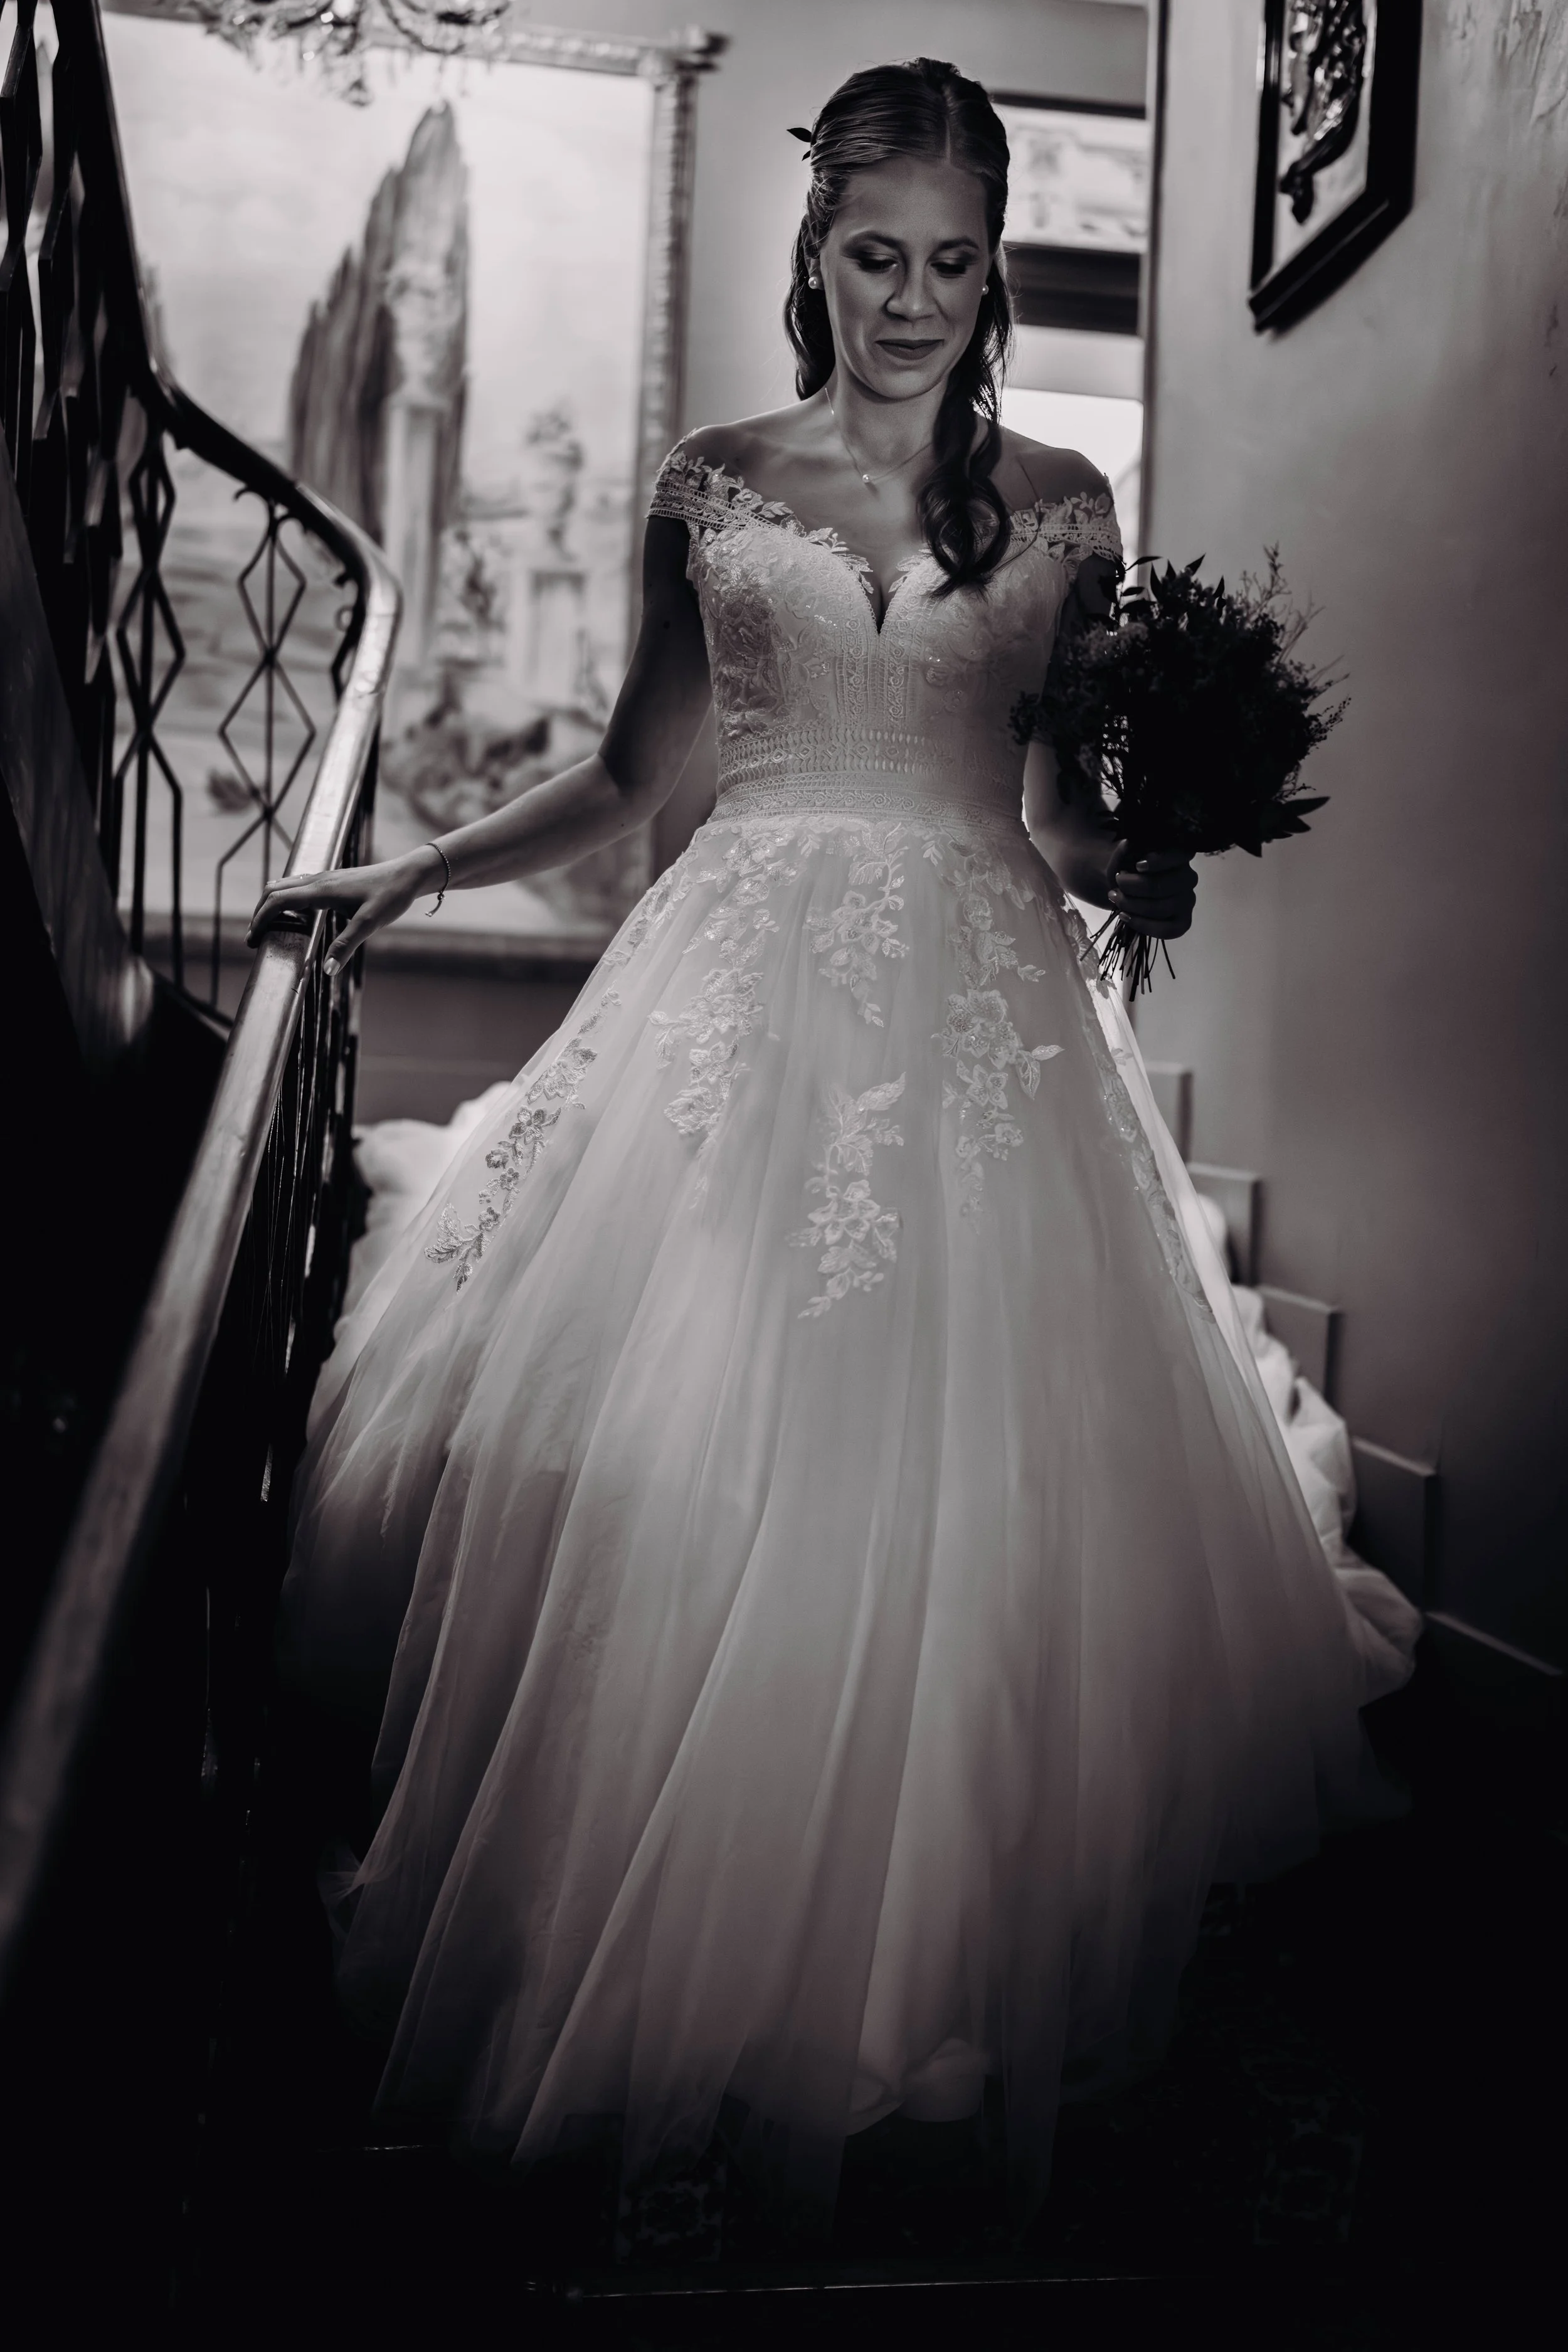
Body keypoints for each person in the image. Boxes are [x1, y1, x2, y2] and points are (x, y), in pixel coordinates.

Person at [252, 58, 1415, 2242]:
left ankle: (900, 1980)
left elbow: (1055, 814)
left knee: (952, 1488)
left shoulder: (1068, 506)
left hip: (974, 1014)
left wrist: (1142, 863)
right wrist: (398, 882)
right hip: (739, 1001)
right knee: (692, 1459)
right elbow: (628, 777)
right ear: (815, 250)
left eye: (953, 263)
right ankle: (647, 1944)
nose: (910, 298)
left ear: (997, 273)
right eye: (872, 254)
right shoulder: (711, 478)